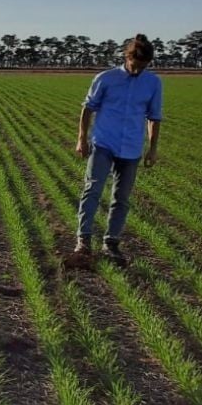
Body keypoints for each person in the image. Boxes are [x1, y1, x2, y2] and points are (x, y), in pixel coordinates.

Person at [64, 34, 162, 269]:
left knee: (122, 199)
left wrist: (152, 149)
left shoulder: (153, 83)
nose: (137, 71)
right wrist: (81, 139)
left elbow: (154, 117)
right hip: (103, 143)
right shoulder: (106, 78)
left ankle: (111, 243)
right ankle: (83, 242)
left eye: (143, 67)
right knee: (93, 190)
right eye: (134, 65)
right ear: (127, 58)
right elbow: (88, 109)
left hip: (131, 148)